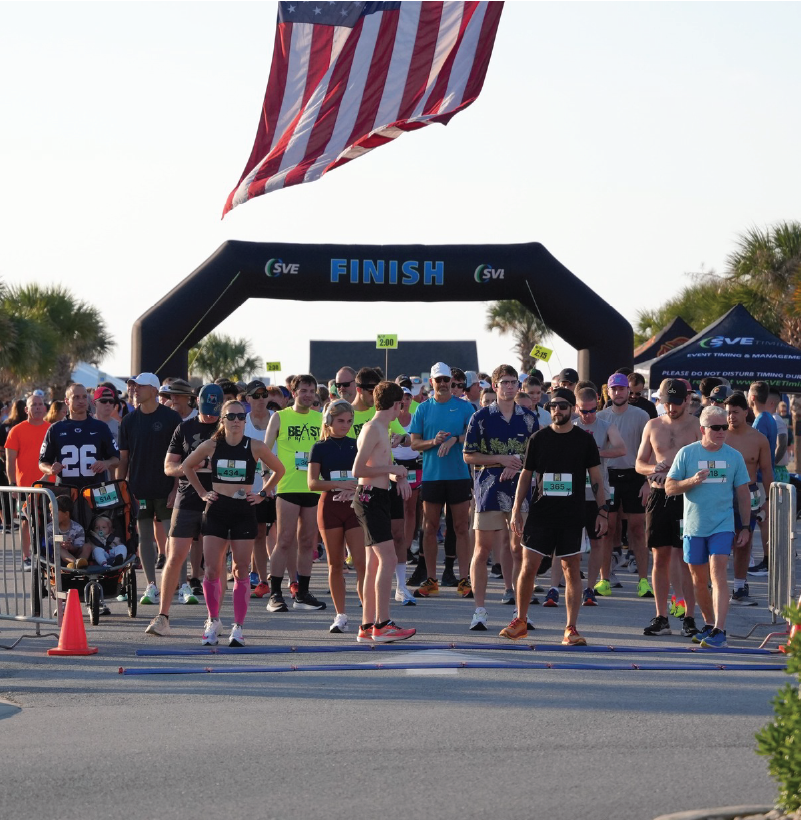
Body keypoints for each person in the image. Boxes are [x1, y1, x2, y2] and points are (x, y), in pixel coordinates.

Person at [502, 388, 608, 644]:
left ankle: (571, 629)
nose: (557, 411)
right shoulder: (538, 438)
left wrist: (604, 511)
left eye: (562, 406)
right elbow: (526, 475)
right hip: (541, 512)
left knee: (571, 569)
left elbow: (596, 478)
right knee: (529, 566)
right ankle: (521, 621)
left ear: (572, 409)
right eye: (553, 407)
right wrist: (517, 509)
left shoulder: (584, 440)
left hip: (572, 514)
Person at [182, 399, 284, 646]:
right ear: (223, 419)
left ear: (245, 420)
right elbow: (186, 466)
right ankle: (213, 619)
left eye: (241, 416)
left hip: (243, 511)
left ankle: (238, 626)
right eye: (232, 416)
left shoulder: (255, 446)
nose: (237, 420)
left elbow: (280, 470)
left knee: (240, 570)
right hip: (216, 509)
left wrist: (262, 494)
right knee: (212, 570)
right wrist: (202, 492)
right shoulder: (212, 445)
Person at [665, 405, 751, 648]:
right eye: (716, 428)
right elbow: (669, 488)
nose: (722, 431)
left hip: (722, 525)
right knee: (698, 580)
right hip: (694, 526)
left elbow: (743, 493)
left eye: (725, 426)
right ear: (702, 429)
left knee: (718, 573)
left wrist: (744, 526)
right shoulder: (687, 453)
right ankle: (709, 624)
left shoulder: (733, 456)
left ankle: (719, 630)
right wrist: (691, 481)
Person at [145, 384, 226, 637]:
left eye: (216, 410)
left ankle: (214, 618)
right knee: (175, 554)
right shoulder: (185, 428)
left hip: (219, 498)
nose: (211, 416)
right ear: (197, 404)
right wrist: (191, 466)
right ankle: (163, 616)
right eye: (207, 410)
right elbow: (169, 466)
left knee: (216, 564)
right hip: (187, 497)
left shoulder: (227, 429)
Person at [463, 365, 538, 631]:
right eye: (504, 382)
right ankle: (480, 611)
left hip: (521, 493)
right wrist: (500, 459)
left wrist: (516, 463)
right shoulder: (481, 417)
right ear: (494, 386)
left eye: (513, 382)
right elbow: (468, 455)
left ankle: (521, 612)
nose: (509, 387)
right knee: (482, 551)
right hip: (488, 491)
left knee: (520, 551)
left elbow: (536, 456)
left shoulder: (529, 418)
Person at [635, 379, 702, 637]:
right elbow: (639, 463)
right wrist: (656, 469)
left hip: (688, 497)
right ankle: (661, 616)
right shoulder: (653, 426)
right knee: (659, 557)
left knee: (688, 559)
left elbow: (708, 458)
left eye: (676, 403)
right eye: (667, 403)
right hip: (659, 496)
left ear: (686, 400)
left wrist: (683, 476)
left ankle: (689, 617)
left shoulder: (697, 427)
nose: (671, 408)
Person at [352, 381, 416, 643]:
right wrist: (395, 471)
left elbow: (379, 463)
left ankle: (368, 625)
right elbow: (358, 470)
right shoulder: (374, 428)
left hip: (376, 497)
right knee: (388, 560)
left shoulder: (381, 428)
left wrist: (396, 475)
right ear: (397, 404)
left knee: (374, 564)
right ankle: (383, 624)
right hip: (369, 498)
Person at [409, 362, 476, 598]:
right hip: (432, 476)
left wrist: (454, 439)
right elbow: (414, 443)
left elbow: (474, 435)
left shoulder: (465, 408)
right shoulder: (423, 409)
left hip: (458, 475)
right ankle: (431, 580)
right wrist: (434, 441)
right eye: (439, 380)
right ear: (432, 382)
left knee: (460, 528)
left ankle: (465, 579)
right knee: (429, 528)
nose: (444, 384)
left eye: (447, 380)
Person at [115, 373, 183, 606]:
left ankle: (181, 586)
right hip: (138, 488)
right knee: (144, 537)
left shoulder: (172, 418)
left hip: (166, 488)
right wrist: (120, 488)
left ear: (154, 390)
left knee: (174, 538)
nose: (135, 390)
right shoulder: (128, 421)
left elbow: (179, 458)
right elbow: (123, 459)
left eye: (140, 386)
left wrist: (176, 488)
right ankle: (152, 586)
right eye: (134, 386)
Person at [264, 374, 326, 613]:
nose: (308, 395)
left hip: (313, 486)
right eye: (303, 391)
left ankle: (302, 593)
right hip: (287, 485)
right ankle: (275, 594)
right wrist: (266, 482)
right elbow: (265, 451)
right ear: (293, 392)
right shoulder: (280, 416)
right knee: (284, 539)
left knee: (307, 542)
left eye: (312, 391)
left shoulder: (321, 419)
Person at [308, 399, 366, 633]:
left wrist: (352, 488)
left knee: (362, 564)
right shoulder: (319, 447)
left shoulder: (357, 445)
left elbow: (365, 476)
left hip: (354, 507)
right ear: (328, 421)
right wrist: (340, 485)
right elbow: (312, 483)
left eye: (349, 421)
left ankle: (368, 615)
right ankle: (340, 615)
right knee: (335, 564)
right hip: (330, 507)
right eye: (340, 421)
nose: (345, 425)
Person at [597, 373, 653, 598]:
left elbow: (650, 450)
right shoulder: (601, 416)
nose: (618, 393)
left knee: (638, 530)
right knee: (607, 529)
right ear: (608, 392)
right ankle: (604, 579)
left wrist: (648, 481)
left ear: (628, 391)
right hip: (608, 476)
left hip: (635, 475)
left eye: (622, 389)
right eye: (614, 389)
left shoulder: (641, 415)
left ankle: (643, 581)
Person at [574, 385, 626, 605]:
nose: (588, 415)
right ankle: (572, 583)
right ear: (576, 408)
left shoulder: (606, 425)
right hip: (573, 493)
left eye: (592, 410)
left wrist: (595, 454)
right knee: (572, 543)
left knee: (597, 542)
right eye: (584, 411)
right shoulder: (571, 427)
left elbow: (621, 449)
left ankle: (589, 588)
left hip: (597, 494)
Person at [724, 391, 773, 604]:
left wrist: (769, 500)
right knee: (718, 539)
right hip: (722, 491)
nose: (731, 417)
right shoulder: (720, 435)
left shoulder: (759, 439)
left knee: (744, 540)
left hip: (749, 490)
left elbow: (767, 471)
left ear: (746, 412)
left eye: (735, 412)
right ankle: (710, 584)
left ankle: (739, 587)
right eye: (728, 413)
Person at [39, 384, 120, 490]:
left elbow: (116, 458)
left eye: (84, 397)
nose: (81, 401)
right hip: (66, 492)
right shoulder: (55, 429)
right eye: (76, 397)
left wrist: (106, 463)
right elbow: (42, 462)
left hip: (95, 491)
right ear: (67, 401)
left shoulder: (100, 427)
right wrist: (50, 469)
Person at [4, 393, 52, 569]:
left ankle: (46, 556)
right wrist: (12, 485)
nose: (38, 407)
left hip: (49, 485)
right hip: (25, 486)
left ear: (45, 408)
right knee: (26, 521)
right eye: (34, 405)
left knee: (48, 521)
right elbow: (10, 461)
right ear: (26, 409)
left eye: (40, 404)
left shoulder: (52, 429)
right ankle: (26, 557)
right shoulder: (17, 430)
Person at [243, 379, 277, 597]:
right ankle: (262, 579)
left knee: (280, 535)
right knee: (258, 533)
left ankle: (281, 578)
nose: (261, 399)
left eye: (264, 395)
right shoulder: (241, 421)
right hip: (251, 487)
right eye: (255, 396)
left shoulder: (277, 419)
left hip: (277, 485)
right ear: (248, 399)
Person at [747, 381, 777, 576]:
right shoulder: (770, 418)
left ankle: (767, 561)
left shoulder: (760, 421)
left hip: (758, 479)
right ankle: (767, 560)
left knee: (761, 521)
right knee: (763, 521)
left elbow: (756, 453)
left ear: (752, 398)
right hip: (763, 477)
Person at [47, 495, 88, 568]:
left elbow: (79, 547)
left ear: (66, 514)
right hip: (57, 557)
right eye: (50, 511)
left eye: (54, 511)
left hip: (76, 554)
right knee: (58, 546)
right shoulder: (50, 528)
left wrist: (70, 547)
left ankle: (80, 563)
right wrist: (60, 542)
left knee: (88, 546)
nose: (50, 514)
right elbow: (49, 544)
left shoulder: (78, 528)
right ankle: (76, 563)